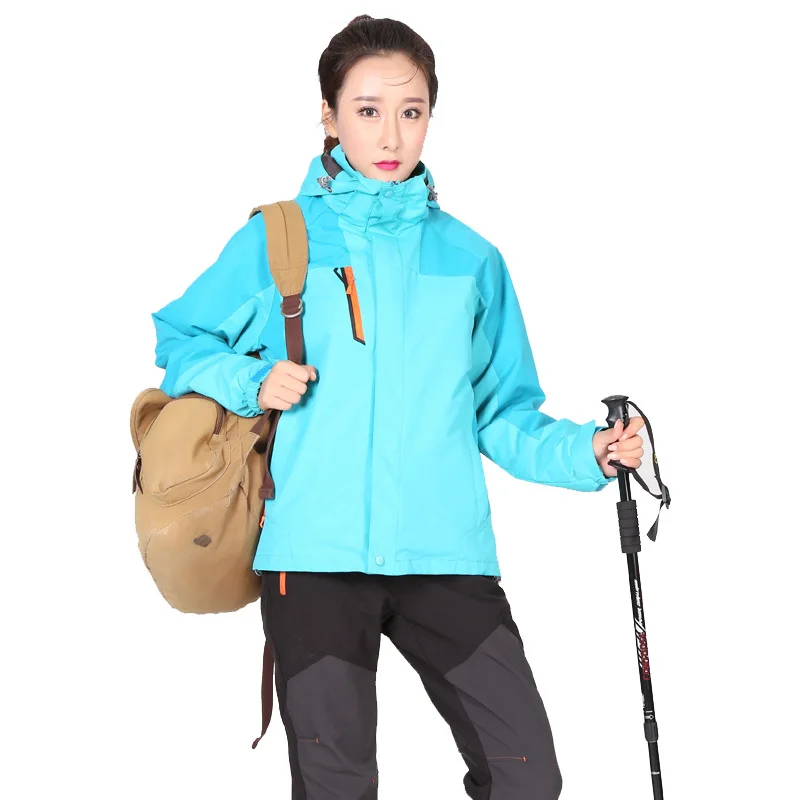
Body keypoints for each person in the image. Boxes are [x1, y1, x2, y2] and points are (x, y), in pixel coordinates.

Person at [151, 14, 645, 800]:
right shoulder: (281, 242)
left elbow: (502, 411)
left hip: (445, 557)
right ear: (329, 115)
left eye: (411, 111)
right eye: (368, 110)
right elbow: (180, 338)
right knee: (337, 787)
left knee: (526, 776)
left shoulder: (471, 259)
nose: (391, 134)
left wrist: (589, 451)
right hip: (313, 560)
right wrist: (251, 382)